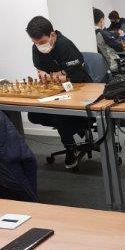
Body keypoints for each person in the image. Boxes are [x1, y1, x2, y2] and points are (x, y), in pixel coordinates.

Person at [25, 16, 92, 169]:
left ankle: (70, 147)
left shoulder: (65, 45)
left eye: (42, 42)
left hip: (79, 88)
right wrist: (60, 74)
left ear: (53, 35)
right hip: (54, 91)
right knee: (34, 115)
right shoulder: (36, 47)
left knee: (59, 114)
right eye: (35, 43)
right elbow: (41, 73)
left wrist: (54, 76)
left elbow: (76, 76)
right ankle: (73, 127)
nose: (39, 46)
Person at [93, 8, 123, 73]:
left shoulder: (90, 34)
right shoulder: (102, 33)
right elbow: (120, 47)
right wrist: (120, 36)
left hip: (99, 66)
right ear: (101, 19)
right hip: (113, 66)